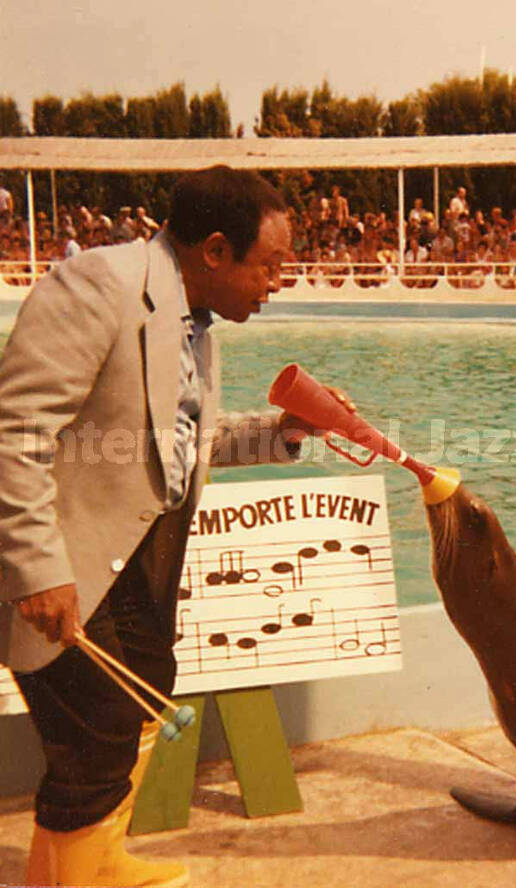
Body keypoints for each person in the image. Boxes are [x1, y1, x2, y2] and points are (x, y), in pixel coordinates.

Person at [0, 165, 353, 887]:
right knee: (95, 730)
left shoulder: (194, 318)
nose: (276, 282)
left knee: (139, 693)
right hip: (66, 556)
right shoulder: (98, 286)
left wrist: (281, 431)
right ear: (216, 251)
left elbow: (176, 441)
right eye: (271, 266)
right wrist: (39, 571)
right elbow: (14, 436)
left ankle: (69, 868)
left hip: (137, 558)